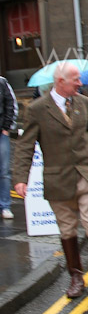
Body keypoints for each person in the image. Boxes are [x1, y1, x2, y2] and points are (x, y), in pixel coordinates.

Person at [13, 62, 88, 298]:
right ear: (60, 82)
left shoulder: (84, 103)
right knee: (67, 229)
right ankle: (76, 277)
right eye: (76, 80)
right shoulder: (37, 109)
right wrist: (20, 178)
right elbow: (25, 145)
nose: (80, 83)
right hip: (58, 179)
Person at [0, 75, 18, 219]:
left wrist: (6, 128)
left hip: (1, 133)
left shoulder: (2, 82)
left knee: (4, 172)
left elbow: (11, 103)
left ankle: (5, 205)